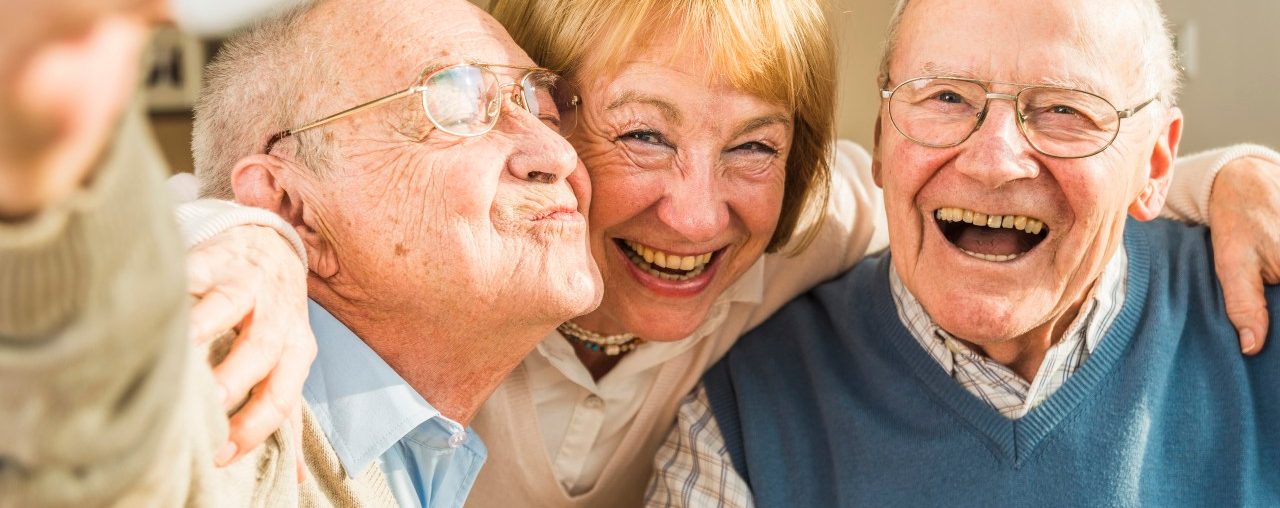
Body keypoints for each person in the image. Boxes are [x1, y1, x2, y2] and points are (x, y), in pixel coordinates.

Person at [181, 0, 1280, 506]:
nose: (697, 214)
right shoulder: (457, 269)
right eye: (641, 134)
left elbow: (1024, 171)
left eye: (752, 145)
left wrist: (1227, 175)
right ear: (549, 123)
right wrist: (256, 237)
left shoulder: (809, 223)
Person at [649, 0, 1280, 506]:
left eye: (1063, 109)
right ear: (879, 136)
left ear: (1156, 161)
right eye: (945, 97)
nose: (993, 162)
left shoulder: (1258, 310)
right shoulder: (744, 413)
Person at [1, 0, 602, 505]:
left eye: (544, 108)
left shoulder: (430, 455)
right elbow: (96, 426)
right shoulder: (229, 402)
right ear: (292, 207)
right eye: (455, 104)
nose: (558, 155)